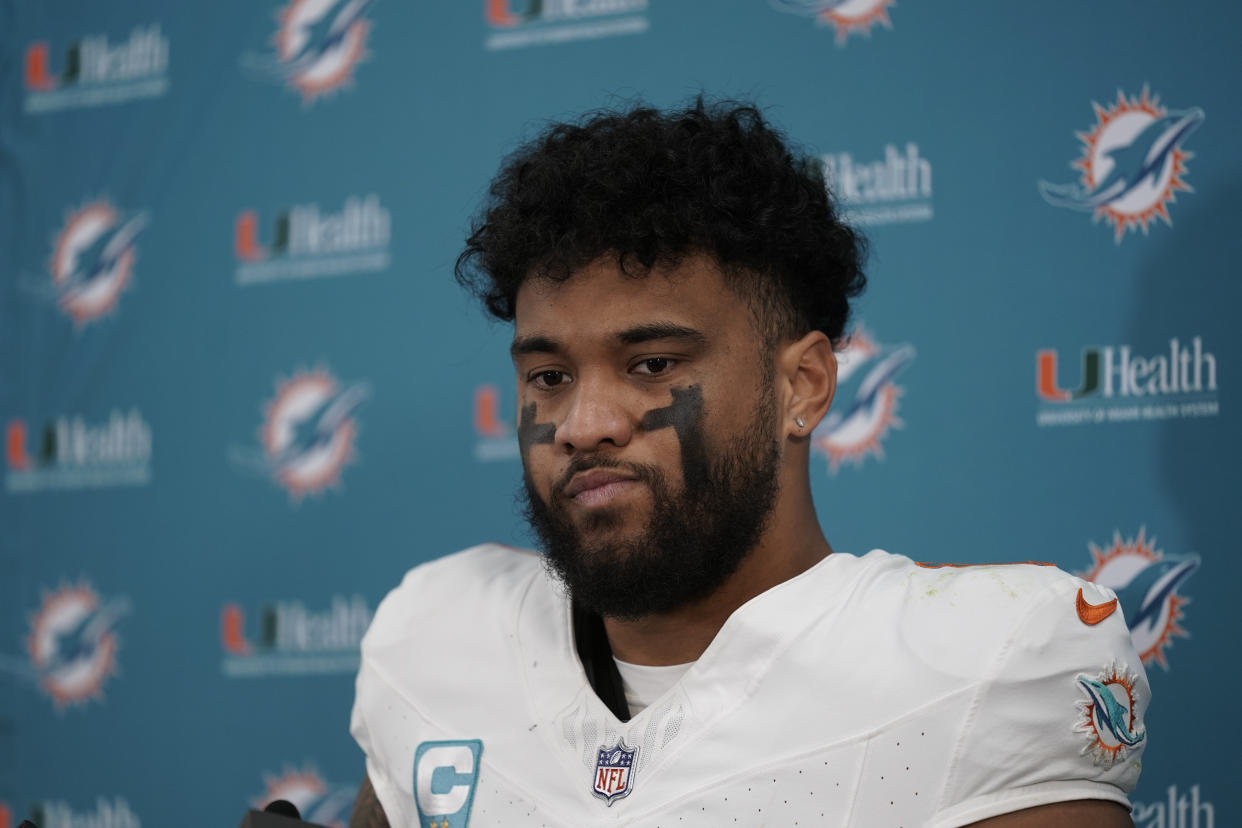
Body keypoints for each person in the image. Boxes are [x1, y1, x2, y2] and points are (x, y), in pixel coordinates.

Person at [348, 99, 1148, 827]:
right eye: (550, 377)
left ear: (801, 384)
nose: (581, 425)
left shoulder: (984, 667)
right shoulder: (437, 635)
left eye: (653, 364)